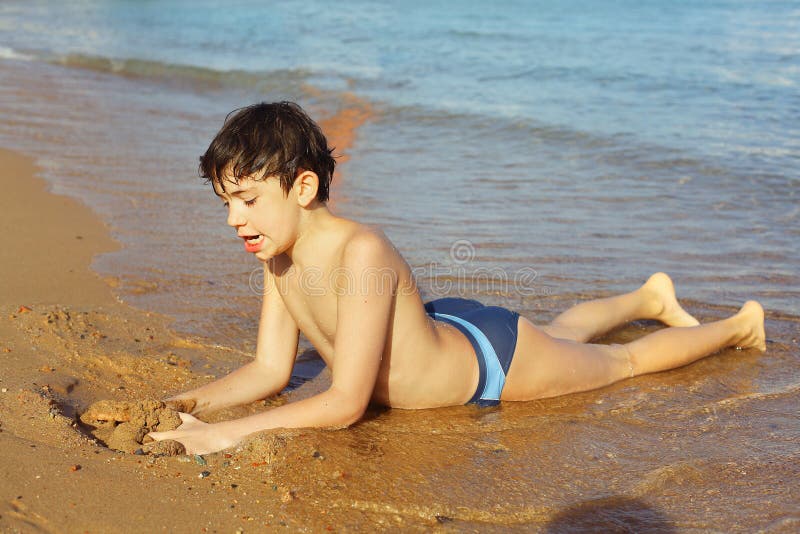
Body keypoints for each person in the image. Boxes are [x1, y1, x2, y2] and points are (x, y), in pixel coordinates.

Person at [148, 102, 766, 455]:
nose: (234, 219)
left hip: (491, 364)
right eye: (225, 202)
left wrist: (223, 436)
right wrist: (180, 406)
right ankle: (650, 295)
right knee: (558, 333)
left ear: (303, 187)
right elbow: (270, 371)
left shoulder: (362, 252)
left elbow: (344, 404)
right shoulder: (277, 258)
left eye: (248, 200)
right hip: (451, 328)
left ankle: (741, 324)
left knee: (620, 366)